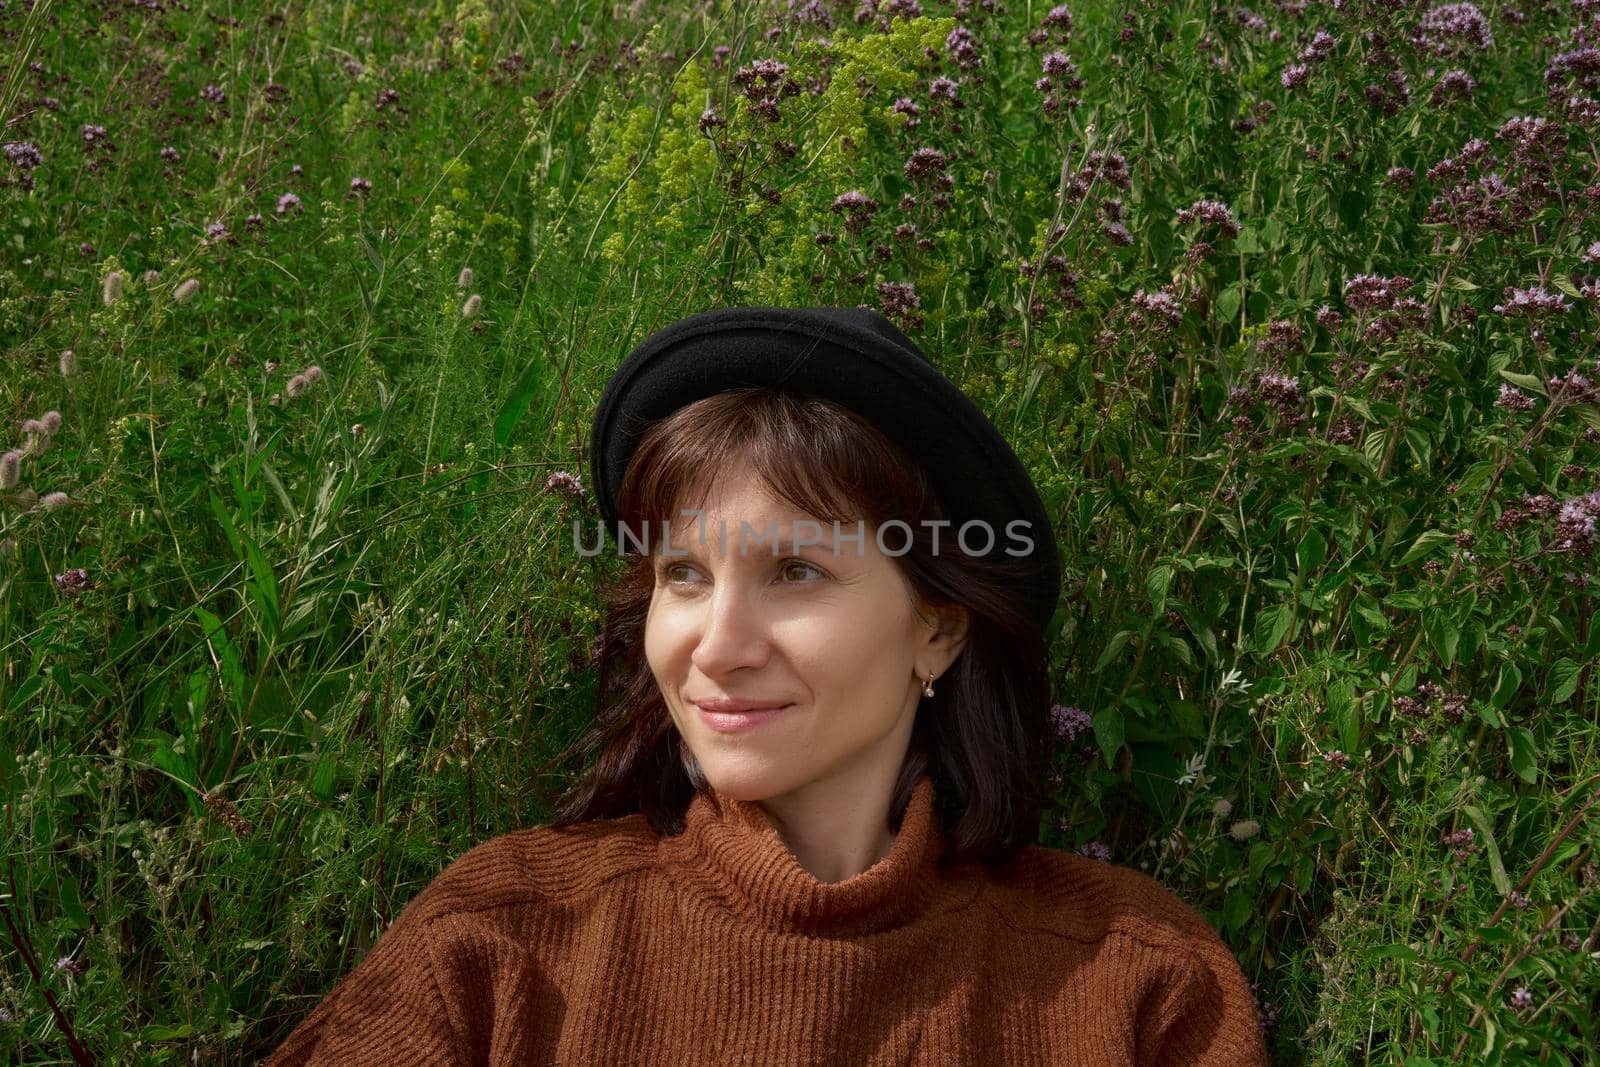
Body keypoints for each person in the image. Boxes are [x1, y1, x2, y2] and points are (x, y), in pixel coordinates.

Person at [265, 307, 1270, 1065]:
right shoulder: (502, 939)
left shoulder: (1133, 976)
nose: (719, 645)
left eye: (796, 572)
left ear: (937, 629)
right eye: (684, 574)